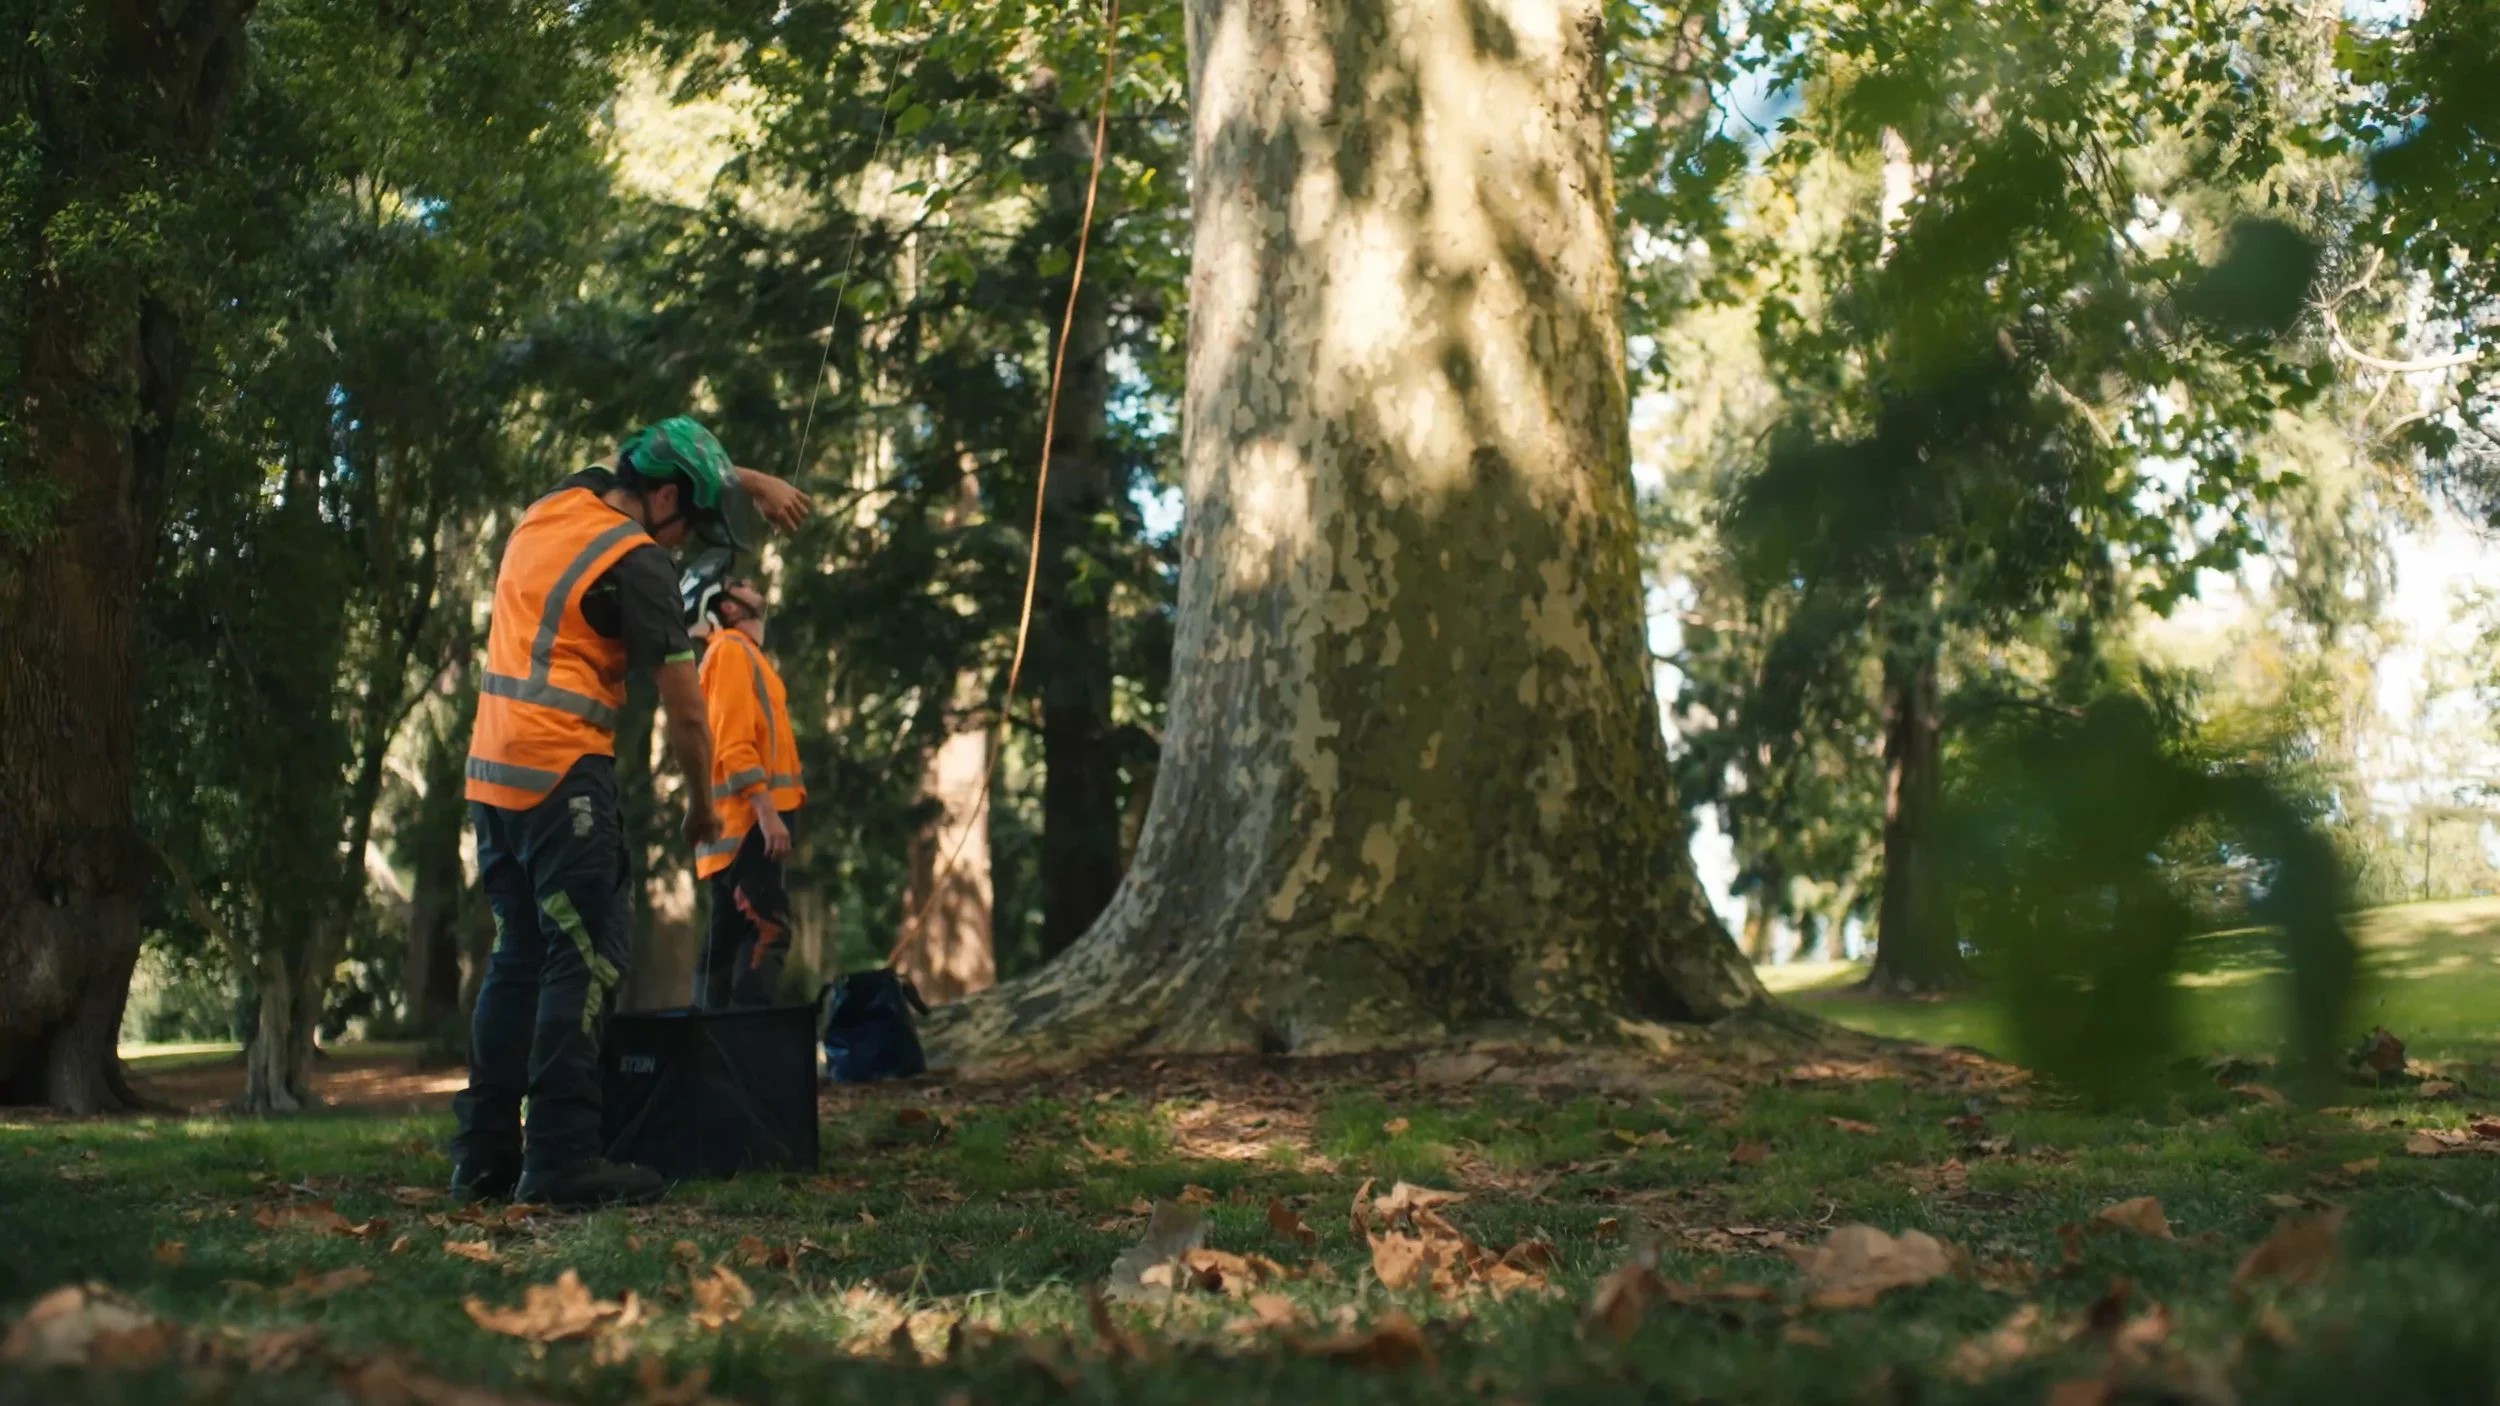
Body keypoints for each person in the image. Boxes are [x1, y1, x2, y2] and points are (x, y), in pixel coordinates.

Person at [449, 417, 810, 1210]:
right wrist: (700, 807)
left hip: (491, 777)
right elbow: (686, 713)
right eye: (691, 522)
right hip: (561, 779)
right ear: (666, 500)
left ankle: (481, 1158)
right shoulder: (637, 564)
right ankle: (562, 1158)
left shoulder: (556, 506)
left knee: (516, 961)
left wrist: (747, 482)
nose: (686, 544)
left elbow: (643, 453)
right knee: (585, 961)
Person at [691, 578, 807, 1008]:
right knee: (767, 930)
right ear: (729, 608)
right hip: (747, 826)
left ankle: (709, 1051)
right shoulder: (731, 651)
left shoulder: (741, 655)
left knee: (727, 940)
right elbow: (733, 742)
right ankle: (743, 1046)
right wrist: (766, 810)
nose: (753, 584)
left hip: (743, 825)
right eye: (741, 584)